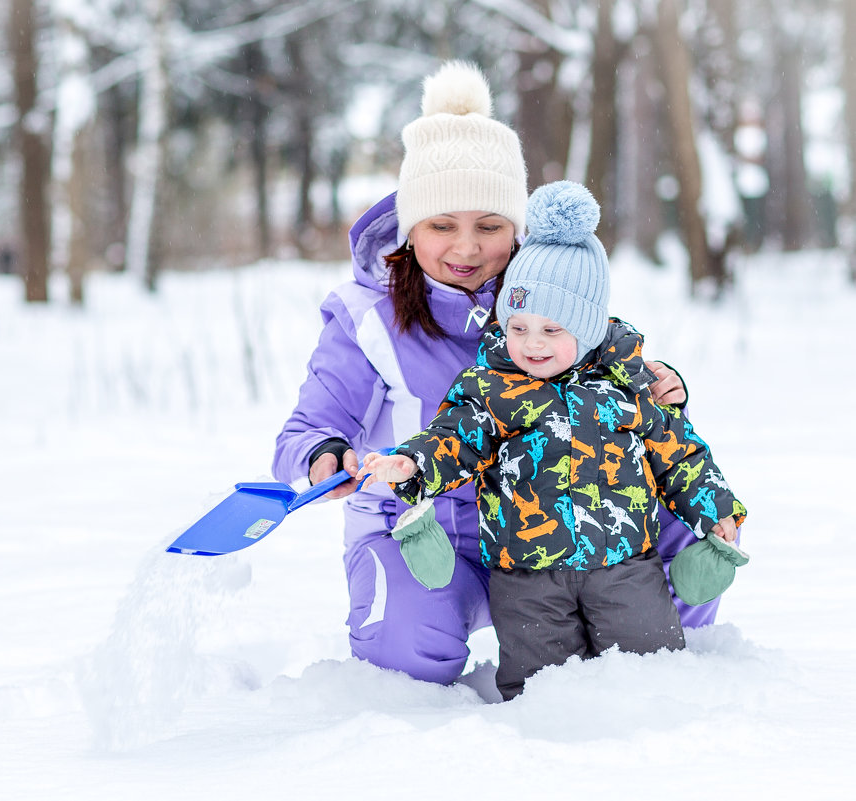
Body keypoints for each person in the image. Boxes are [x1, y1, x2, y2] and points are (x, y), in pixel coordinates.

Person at [271, 60, 709, 686]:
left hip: (559, 529)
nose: (467, 248)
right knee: (408, 650)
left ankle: (652, 675)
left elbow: (620, 380)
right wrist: (324, 455)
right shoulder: (365, 322)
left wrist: (665, 388)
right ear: (408, 229)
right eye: (441, 225)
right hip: (428, 536)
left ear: (519, 229)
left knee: (680, 541)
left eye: (490, 226)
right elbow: (305, 429)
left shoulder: (549, 298)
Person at [356, 180, 747, 700]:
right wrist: (412, 465)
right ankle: (546, 765)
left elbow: (680, 452)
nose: (531, 343)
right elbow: (453, 437)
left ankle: (652, 751)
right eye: (517, 327)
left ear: (586, 329)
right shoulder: (493, 388)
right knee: (540, 690)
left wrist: (717, 508)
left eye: (551, 329)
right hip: (527, 578)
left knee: (650, 674)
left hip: (624, 567)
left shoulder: (627, 386)